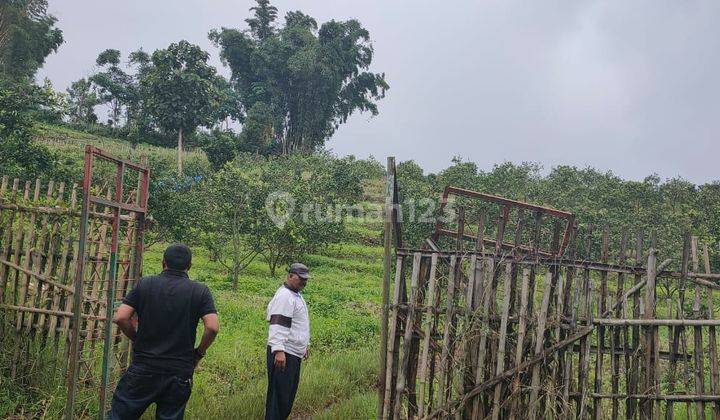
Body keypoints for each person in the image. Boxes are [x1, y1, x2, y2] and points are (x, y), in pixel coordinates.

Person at [108, 243, 219, 420]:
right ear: (189, 266)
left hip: (144, 367)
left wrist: (136, 338)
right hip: (179, 371)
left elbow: (121, 317)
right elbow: (212, 327)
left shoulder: (145, 284)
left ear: (163, 263)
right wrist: (198, 354)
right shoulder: (200, 291)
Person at [265, 263, 311, 420]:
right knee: (278, 400)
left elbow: (297, 325)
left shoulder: (295, 295)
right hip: (284, 354)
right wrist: (278, 350)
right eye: (301, 278)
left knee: (286, 398)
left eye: (306, 279)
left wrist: (304, 346)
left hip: (292, 352)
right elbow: (277, 324)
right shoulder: (285, 296)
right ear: (290, 276)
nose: (304, 282)